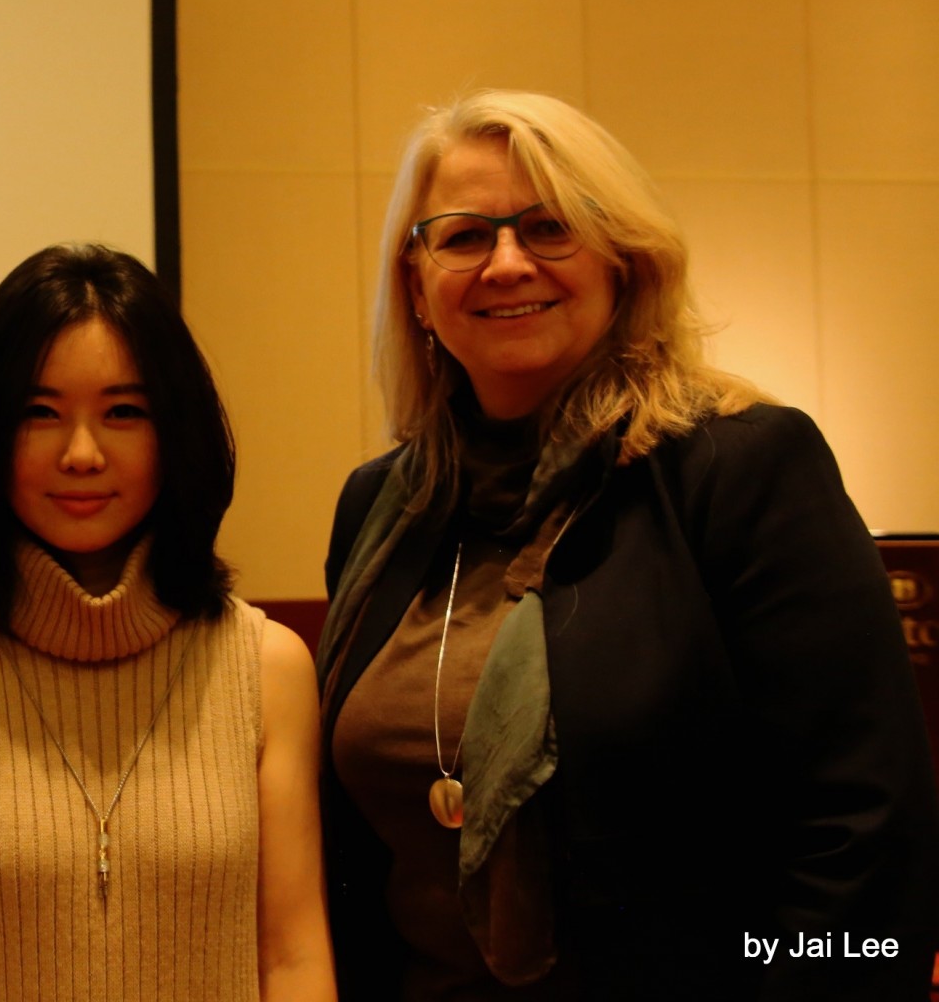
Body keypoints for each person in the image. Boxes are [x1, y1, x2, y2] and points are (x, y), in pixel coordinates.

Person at [318, 90, 939, 999]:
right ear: (416, 285)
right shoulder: (381, 507)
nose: (505, 263)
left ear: (623, 262)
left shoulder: (743, 468)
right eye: (461, 236)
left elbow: (867, 842)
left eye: (548, 228)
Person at [0, 244, 336, 1001]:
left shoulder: (267, 667)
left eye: (123, 413)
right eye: (39, 413)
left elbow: (294, 961)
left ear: (175, 433)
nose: (81, 453)